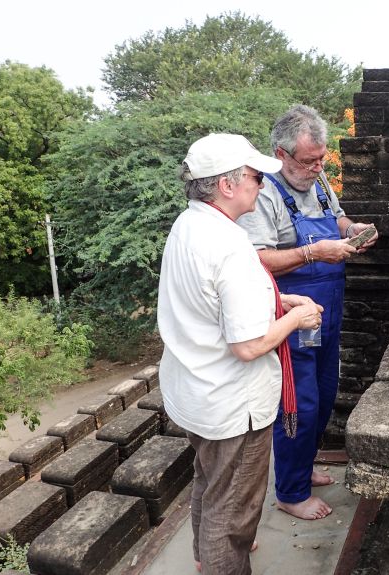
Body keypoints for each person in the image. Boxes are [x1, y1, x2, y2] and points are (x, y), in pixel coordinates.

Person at [157, 133, 323, 574]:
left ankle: (202, 556)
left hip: (196, 388)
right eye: (255, 176)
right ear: (226, 185)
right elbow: (249, 345)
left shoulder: (189, 225)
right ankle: (220, 563)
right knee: (233, 512)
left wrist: (278, 303)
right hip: (231, 401)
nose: (263, 185)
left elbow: (213, 303)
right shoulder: (230, 245)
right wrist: (295, 320)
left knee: (211, 483)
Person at [237, 105, 378, 521]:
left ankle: (303, 466)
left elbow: (337, 219)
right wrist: (313, 252)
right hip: (291, 314)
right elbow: (257, 259)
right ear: (281, 154)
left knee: (327, 392)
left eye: (321, 159)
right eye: (308, 160)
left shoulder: (317, 183)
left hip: (327, 309)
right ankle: (290, 491)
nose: (318, 167)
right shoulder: (264, 194)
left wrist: (352, 231)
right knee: (299, 405)